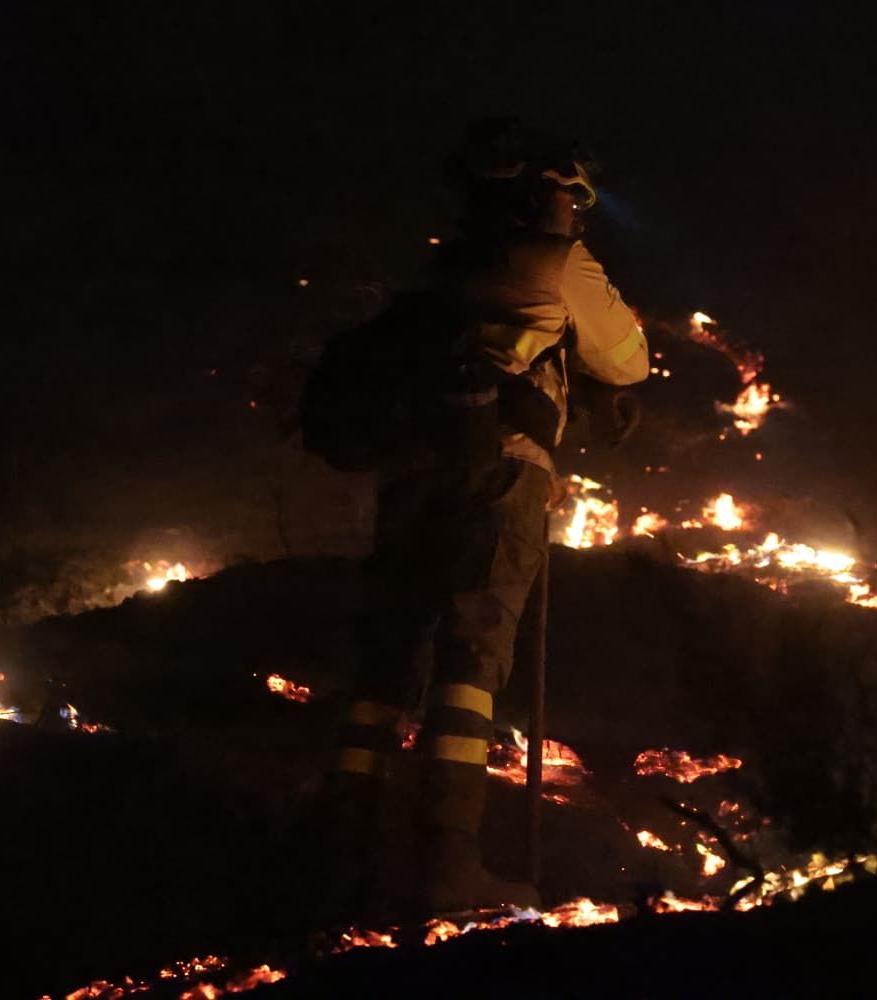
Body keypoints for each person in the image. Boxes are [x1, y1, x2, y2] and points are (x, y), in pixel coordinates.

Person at [326, 119, 650, 917]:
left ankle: (340, 854)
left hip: (413, 476)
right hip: (499, 472)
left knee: (385, 662)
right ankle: (447, 863)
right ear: (544, 194)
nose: (578, 214)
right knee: (471, 657)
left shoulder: (442, 273)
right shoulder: (555, 259)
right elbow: (626, 356)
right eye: (573, 199)